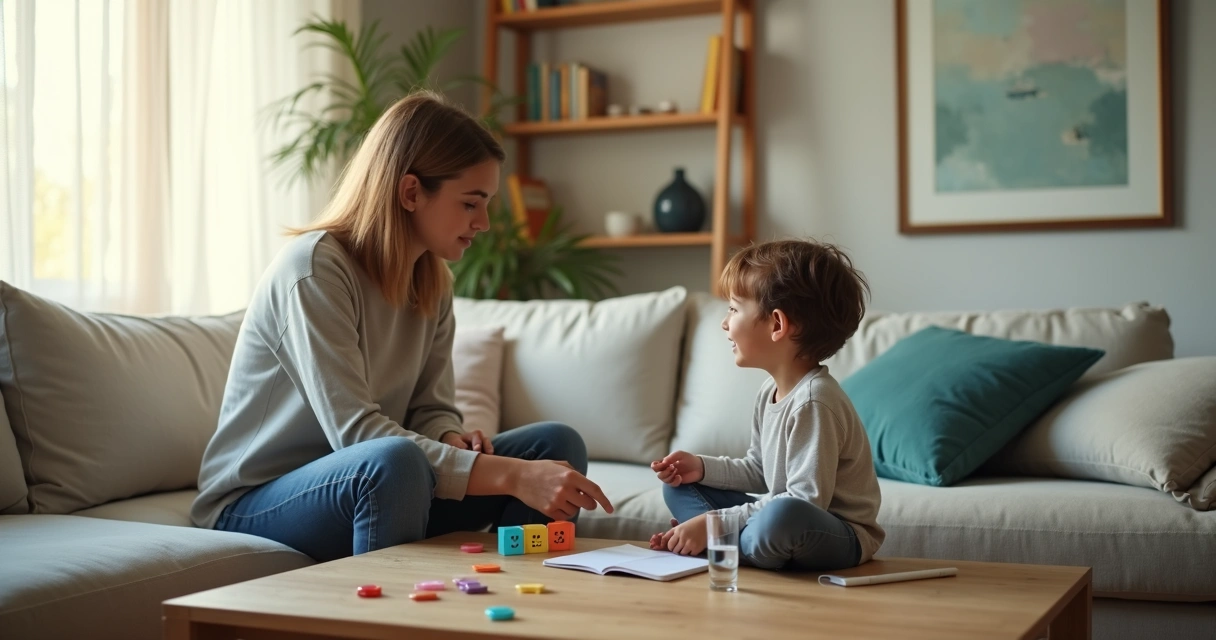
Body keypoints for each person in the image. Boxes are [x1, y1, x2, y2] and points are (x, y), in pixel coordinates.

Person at [191, 91, 612, 562]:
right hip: (260, 500)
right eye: (471, 203)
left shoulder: (433, 280)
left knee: (554, 444)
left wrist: (450, 436)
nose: (485, 223)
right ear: (411, 192)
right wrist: (510, 476)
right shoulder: (313, 270)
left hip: (385, 482)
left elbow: (431, 407)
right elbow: (360, 436)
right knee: (394, 459)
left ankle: (519, 605)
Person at [648, 239, 883, 571]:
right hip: (779, 525)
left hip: (836, 534)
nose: (724, 322)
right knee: (679, 488)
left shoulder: (814, 401)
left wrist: (713, 521)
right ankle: (729, 543)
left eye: (733, 308)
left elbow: (805, 501)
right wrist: (701, 468)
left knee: (781, 516)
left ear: (777, 324)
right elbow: (759, 470)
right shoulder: (768, 391)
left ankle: (720, 543)